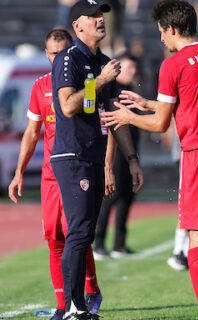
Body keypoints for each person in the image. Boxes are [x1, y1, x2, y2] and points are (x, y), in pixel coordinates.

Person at [102, 1, 198, 319]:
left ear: (171, 28)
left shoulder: (173, 64)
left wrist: (129, 116)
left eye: (161, 32)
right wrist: (149, 103)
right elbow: (196, 98)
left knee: (197, 233)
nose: (161, 39)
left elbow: (160, 124)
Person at [50, 1, 143, 319]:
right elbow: (68, 106)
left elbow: (114, 114)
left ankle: (76, 306)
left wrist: (131, 159)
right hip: (72, 155)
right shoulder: (68, 58)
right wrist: (101, 80)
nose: (100, 19)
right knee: (78, 231)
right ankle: (73, 307)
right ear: (78, 26)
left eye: (101, 14)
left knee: (85, 233)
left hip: (91, 154)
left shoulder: (103, 62)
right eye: (92, 16)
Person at [8, 29, 102, 320]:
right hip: (51, 173)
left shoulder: (86, 82)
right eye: (52, 53)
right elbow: (32, 132)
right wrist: (19, 172)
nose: (58, 58)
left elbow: (100, 122)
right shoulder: (39, 87)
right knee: (54, 237)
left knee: (77, 234)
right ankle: (63, 306)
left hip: (77, 166)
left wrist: (109, 164)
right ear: (46, 54)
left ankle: (90, 290)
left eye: (62, 52)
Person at [94, 53, 141, 259]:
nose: (133, 71)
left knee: (126, 197)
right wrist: (108, 165)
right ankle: (99, 242)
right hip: (115, 154)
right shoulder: (113, 92)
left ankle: (119, 243)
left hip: (129, 153)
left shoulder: (128, 92)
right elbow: (113, 126)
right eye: (128, 67)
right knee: (110, 196)